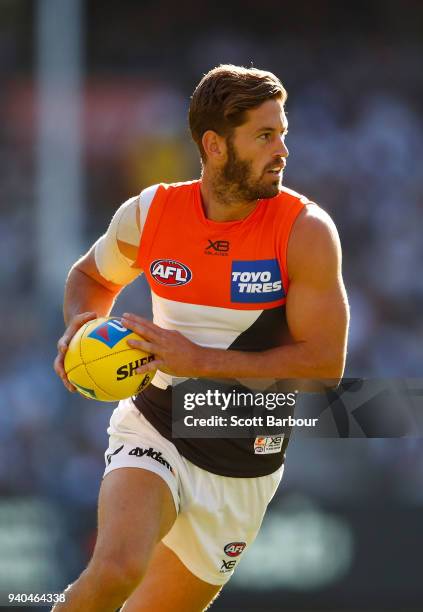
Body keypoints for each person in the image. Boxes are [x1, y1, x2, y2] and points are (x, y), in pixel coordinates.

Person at [53, 64, 349, 611]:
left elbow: (325, 367)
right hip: (157, 421)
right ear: (214, 145)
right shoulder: (151, 211)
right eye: (264, 136)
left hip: (245, 461)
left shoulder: (306, 231)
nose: (282, 149)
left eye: (283, 133)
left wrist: (200, 359)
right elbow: (91, 278)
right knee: (115, 569)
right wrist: (81, 325)